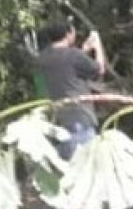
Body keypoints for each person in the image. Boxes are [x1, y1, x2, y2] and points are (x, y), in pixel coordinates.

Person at [36, 19, 107, 160]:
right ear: (68, 34)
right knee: (86, 167)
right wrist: (98, 46)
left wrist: (84, 50)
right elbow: (100, 70)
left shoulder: (42, 59)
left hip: (57, 121)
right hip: (80, 119)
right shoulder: (74, 55)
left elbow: (64, 67)